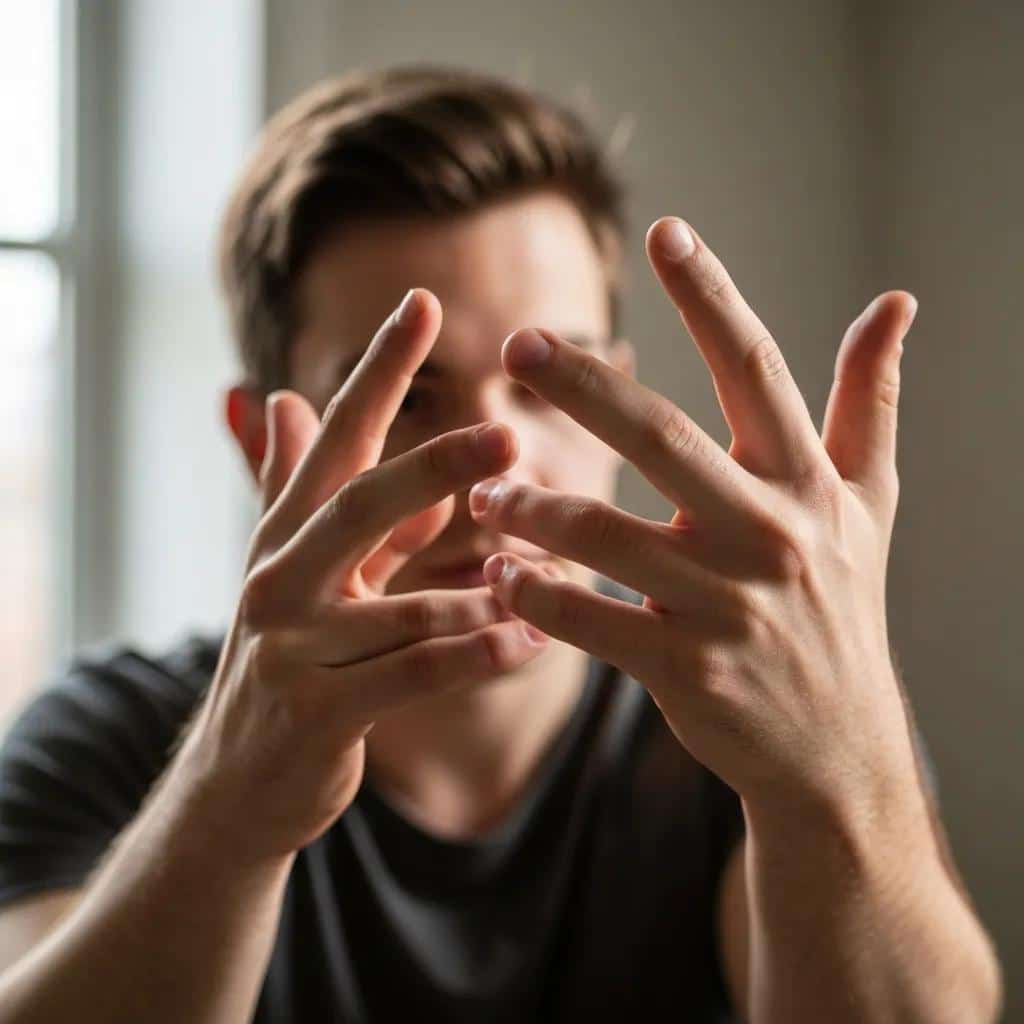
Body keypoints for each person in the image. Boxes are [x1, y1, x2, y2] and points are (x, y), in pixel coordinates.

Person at [0, 64, 1002, 1023]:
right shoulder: (115, 742)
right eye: (404, 396)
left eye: (551, 383)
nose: (494, 470)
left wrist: (835, 762)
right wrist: (224, 815)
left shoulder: (757, 710)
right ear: (265, 436)